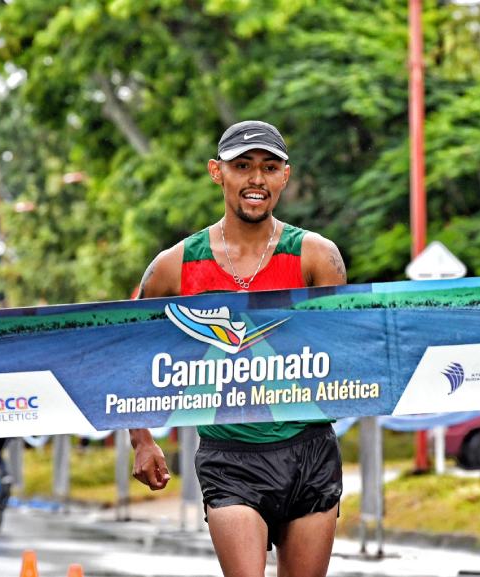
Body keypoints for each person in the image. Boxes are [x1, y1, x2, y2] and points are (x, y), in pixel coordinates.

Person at [131, 120, 348, 577]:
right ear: (217, 172)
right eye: (242, 166)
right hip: (230, 456)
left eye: (269, 168)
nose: (256, 180)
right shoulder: (175, 266)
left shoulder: (317, 257)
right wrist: (142, 439)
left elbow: (346, 346)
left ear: (284, 177)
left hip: (309, 449)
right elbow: (132, 350)